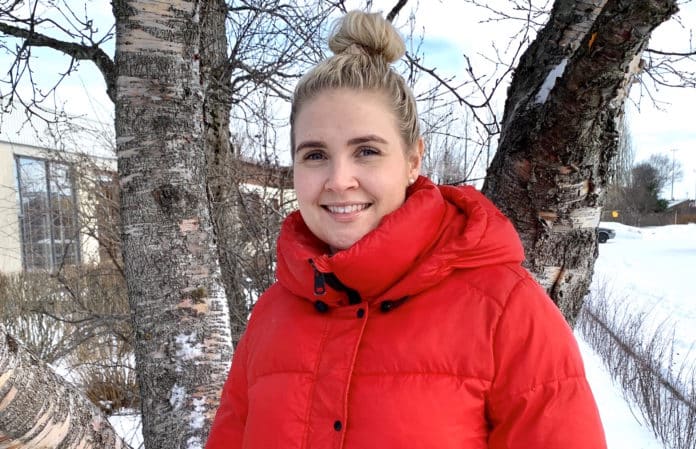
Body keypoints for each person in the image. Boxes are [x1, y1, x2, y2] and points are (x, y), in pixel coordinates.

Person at [206, 10, 607, 449]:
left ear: (413, 160)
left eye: (367, 151)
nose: (339, 180)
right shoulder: (272, 314)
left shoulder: (506, 312)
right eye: (315, 155)